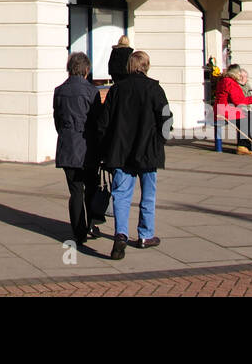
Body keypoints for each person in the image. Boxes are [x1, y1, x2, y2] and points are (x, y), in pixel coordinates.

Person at [97, 50, 170, 259]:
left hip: (121, 151)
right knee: (148, 194)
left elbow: (104, 123)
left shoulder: (117, 90)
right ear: (146, 66)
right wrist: (160, 141)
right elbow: (166, 118)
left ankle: (120, 233)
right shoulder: (154, 89)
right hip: (147, 150)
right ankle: (145, 235)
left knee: (121, 194)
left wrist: (105, 148)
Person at [54, 52, 103, 247]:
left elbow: (57, 119)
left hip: (68, 145)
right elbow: (98, 122)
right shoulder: (92, 92)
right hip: (88, 146)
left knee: (75, 191)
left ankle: (79, 230)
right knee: (91, 188)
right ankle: (91, 223)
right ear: (86, 70)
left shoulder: (59, 91)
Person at [214, 64, 252, 154]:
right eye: (239, 73)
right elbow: (238, 101)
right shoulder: (230, 82)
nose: (240, 75)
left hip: (224, 109)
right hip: (225, 111)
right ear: (235, 73)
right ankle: (246, 145)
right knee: (247, 119)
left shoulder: (226, 81)